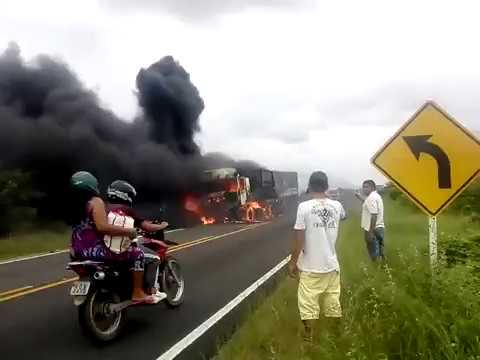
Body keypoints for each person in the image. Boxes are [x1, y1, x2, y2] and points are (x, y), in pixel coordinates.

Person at [69, 171, 159, 304]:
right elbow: (102, 227)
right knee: (138, 254)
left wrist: (71, 247)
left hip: (77, 252)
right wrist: (129, 231)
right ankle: (138, 293)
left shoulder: (74, 206)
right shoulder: (96, 202)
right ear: (92, 185)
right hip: (98, 251)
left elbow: (77, 231)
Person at [288, 171, 346, 342]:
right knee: (333, 299)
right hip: (332, 265)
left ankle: (308, 335)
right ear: (327, 186)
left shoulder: (303, 207)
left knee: (307, 302)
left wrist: (293, 262)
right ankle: (336, 334)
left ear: (310, 186)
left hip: (310, 267)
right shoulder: (337, 206)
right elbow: (344, 216)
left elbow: (299, 236)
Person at [105, 180, 168, 298]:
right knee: (154, 258)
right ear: (124, 195)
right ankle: (150, 290)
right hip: (118, 249)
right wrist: (162, 225)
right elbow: (146, 226)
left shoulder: (103, 208)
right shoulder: (126, 210)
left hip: (103, 249)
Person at [355, 180, 385, 261]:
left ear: (372, 187)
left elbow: (374, 215)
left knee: (375, 254)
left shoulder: (371, 198)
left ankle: (376, 270)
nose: (364, 189)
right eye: (363, 187)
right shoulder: (375, 196)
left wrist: (370, 231)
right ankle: (382, 268)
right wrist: (360, 197)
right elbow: (368, 204)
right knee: (380, 253)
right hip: (379, 227)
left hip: (373, 228)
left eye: (366, 187)